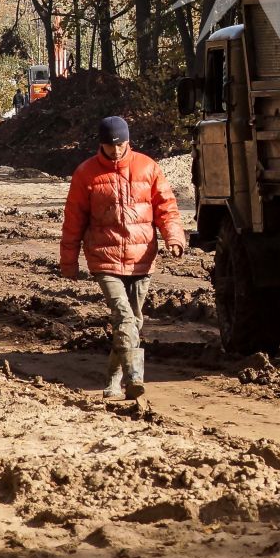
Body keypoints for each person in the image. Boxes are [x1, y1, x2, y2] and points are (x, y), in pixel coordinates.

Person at [59, 116, 186, 400]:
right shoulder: (86, 174)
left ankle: (113, 379)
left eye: (121, 145)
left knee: (132, 322)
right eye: (110, 146)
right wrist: (69, 261)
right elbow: (73, 220)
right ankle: (134, 379)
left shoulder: (148, 167)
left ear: (129, 141)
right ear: (100, 144)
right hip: (105, 259)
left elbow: (167, 207)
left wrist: (174, 237)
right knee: (124, 316)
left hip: (142, 258)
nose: (116, 151)